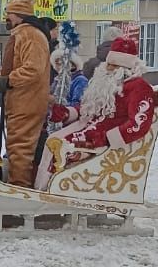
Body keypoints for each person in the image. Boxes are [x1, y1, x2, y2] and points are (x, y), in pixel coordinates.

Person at [35, 35, 156, 189]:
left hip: (104, 141)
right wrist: (67, 113)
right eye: (108, 64)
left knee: (61, 146)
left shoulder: (137, 87)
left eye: (112, 65)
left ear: (124, 68)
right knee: (52, 140)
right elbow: (88, 107)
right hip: (88, 129)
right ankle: (44, 189)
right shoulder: (105, 82)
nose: (107, 68)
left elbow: (139, 123)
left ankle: (54, 189)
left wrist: (107, 137)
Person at [0, 0, 51, 186]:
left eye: (9, 14)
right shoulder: (24, 34)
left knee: (21, 151)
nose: (7, 18)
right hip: (21, 103)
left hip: (26, 104)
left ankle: (20, 195)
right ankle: (17, 190)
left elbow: (33, 69)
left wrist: (6, 81)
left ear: (19, 15)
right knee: (16, 151)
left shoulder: (30, 35)